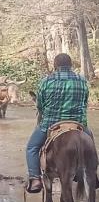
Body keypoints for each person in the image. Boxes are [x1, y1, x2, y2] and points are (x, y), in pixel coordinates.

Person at [25, 53, 94, 193]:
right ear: (71, 65)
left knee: (31, 148)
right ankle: (93, 174)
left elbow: (40, 105)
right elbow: (84, 102)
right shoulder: (82, 80)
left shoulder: (46, 81)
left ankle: (35, 179)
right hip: (78, 123)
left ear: (55, 65)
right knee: (90, 141)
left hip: (51, 124)